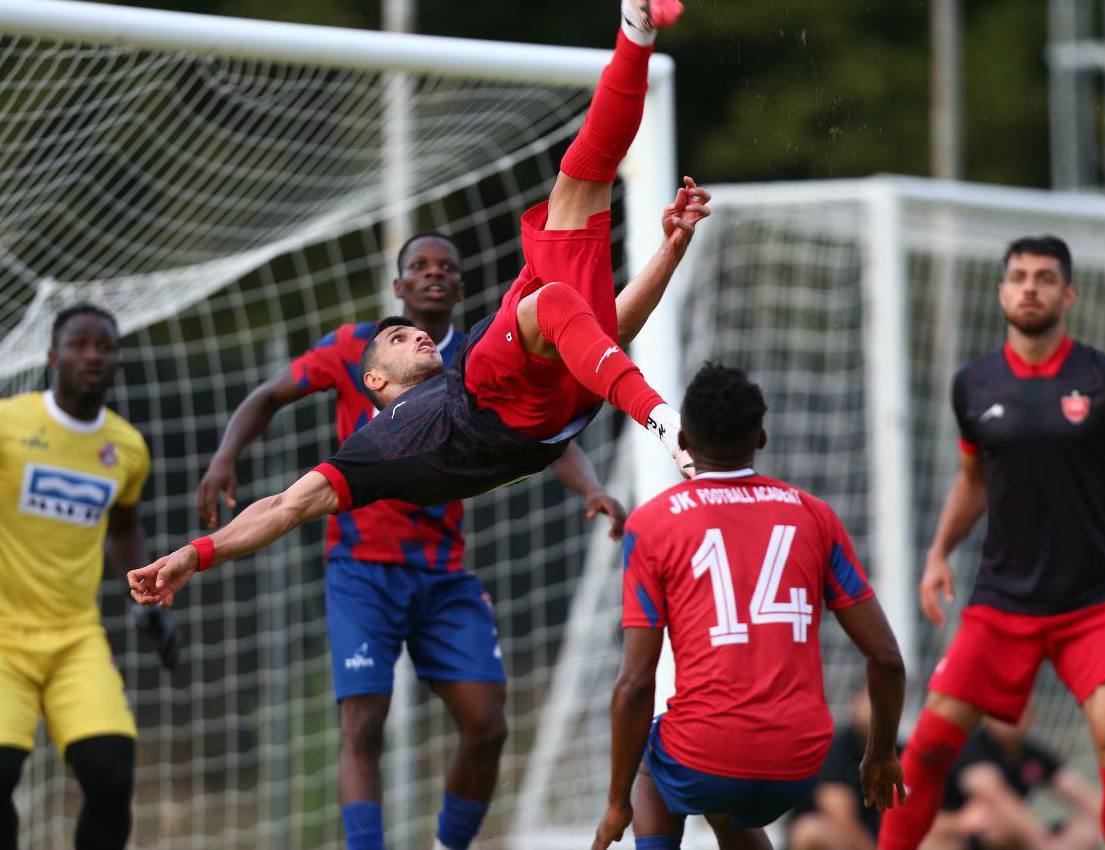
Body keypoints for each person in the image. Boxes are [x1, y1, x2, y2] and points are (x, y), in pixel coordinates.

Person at [129, 1, 708, 601]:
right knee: (558, 292)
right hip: (497, 404)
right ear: (374, 380)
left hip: (558, 400)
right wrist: (193, 555)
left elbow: (609, 331)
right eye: (398, 339)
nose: (417, 334)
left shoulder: (468, 361)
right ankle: (666, 421)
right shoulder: (378, 444)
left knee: (582, 181)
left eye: (412, 331)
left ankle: (634, 31)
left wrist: (671, 247)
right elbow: (280, 506)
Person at [195, 231, 628, 850]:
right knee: (363, 723)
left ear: (459, 286)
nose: (434, 274)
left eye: (447, 266)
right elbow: (270, 395)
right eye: (419, 267)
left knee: (487, 725)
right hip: (363, 567)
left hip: (441, 569)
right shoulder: (355, 347)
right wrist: (225, 458)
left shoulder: (479, 358)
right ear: (398, 287)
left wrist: (589, 488)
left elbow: (544, 422)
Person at [591, 363, 907, 850]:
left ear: (685, 438)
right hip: (803, 763)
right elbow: (886, 658)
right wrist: (881, 754)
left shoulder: (652, 525)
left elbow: (635, 683)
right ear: (761, 436)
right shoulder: (815, 516)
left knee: (653, 765)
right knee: (727, 806)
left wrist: (616, 804)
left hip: (707, 753)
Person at [877, 235, 1105, 850]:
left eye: (1044, 276)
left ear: (1069, 294)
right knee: (926, 747)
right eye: (1019, 276)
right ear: (1003, 291)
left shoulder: (1101, 378)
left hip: (1093, 601)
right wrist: (937, 553)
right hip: (1003, 601)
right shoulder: (974, 385)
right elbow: (974, 479)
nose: (1030, 286)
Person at [0, 305, 180, 850]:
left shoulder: (126, 449)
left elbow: (124, 526)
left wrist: (145, 600)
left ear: (116, 361)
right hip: (4, 636)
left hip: (74, 636)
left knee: (111, 773)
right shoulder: (9, 423)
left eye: (103, 346)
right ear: (53, 356)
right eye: (78, 344)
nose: (92, 356)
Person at [920, 715, 1103, 850]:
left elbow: (1080, 792)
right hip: (957, 834)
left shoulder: (1031, 752)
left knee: (1086, 830)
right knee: (1000, 826)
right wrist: (1043, 842)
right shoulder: (972, 750)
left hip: (1018, 834)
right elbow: (996, 796)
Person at [787, 687, 888, 850]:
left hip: (880, 836)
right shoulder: (836, 748)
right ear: (855, 702)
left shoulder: (900, 752)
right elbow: (838, 814)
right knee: (810, 831)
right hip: (844, 839)